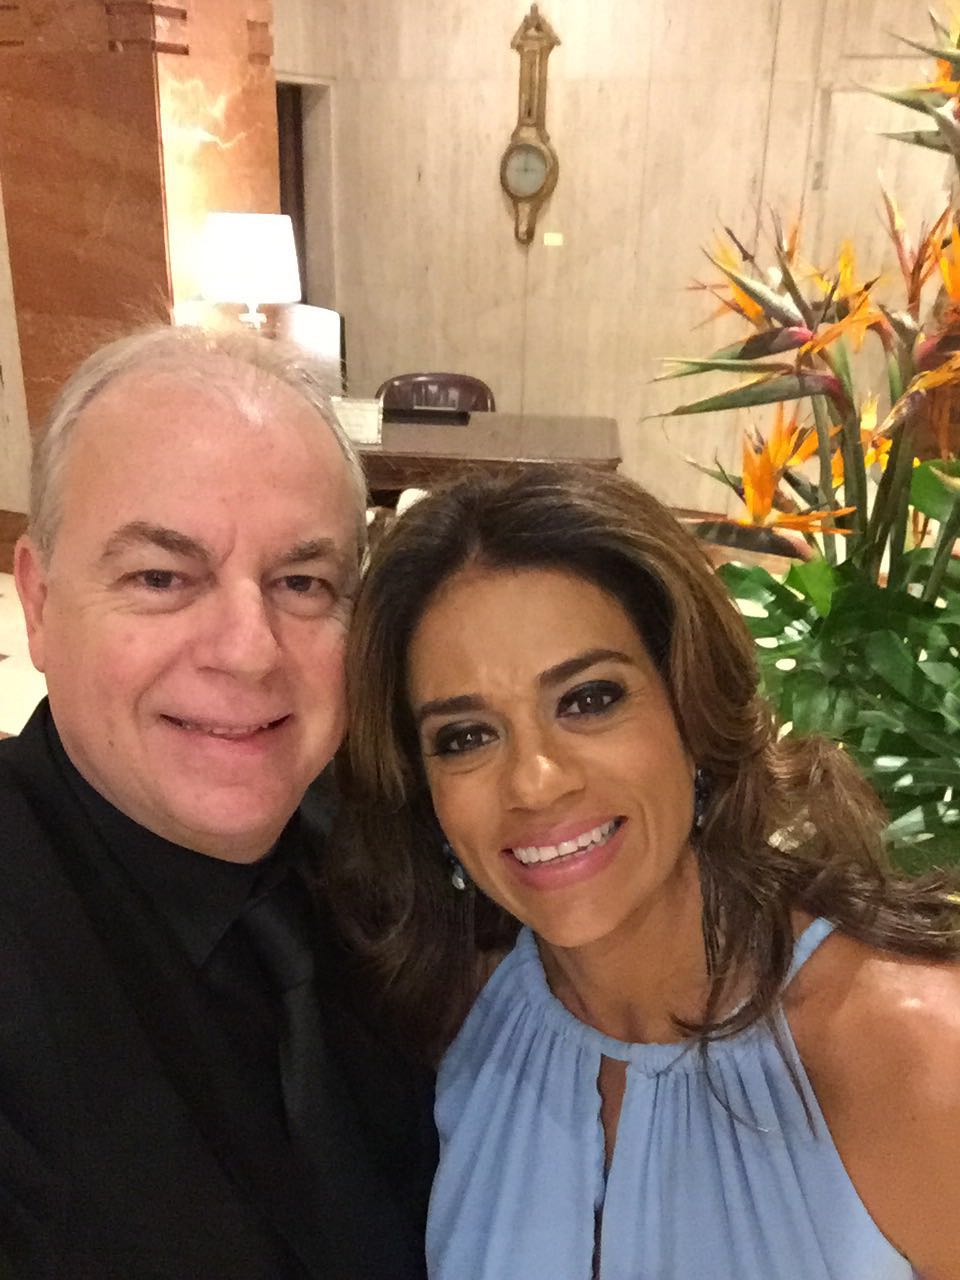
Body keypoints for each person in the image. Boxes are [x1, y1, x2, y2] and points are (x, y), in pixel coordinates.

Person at [332, 463, 960, 1280]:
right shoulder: (463, 1015)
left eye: (589, 700)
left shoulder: (915, 1053)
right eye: (466, 737)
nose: (535, 783)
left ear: (692, 708)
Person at [0, 326, 436, 1280]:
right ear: (38, 603)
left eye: (302, 583)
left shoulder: (390, 838)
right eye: (161, 578)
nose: (249, 651)